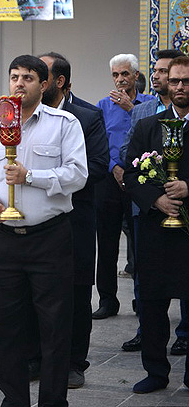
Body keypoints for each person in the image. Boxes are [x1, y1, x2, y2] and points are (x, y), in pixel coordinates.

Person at [0, 54, 87, 407]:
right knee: (6, 327)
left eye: (28, 78)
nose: (19, 83)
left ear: (44, 84)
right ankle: (14, 399)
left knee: (54, 326)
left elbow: (77, 175)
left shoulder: (63, 124)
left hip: (49, 238)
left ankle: (53, 400)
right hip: (4, 240)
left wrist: (31, 176)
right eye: (14, 76)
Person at [39, 52, 110, 388]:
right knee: (36, 290)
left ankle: (73, 363)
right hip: (34, 218)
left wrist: (47, 178)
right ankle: (36, 358)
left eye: (41, 74)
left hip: (74, 218)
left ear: (59, 81)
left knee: (76, 293)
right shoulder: (22, 113)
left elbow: (97, 166)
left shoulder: (87, 116)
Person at [123, 54, 189, 393]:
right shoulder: (148, 126)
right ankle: (155, 371)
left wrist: (188, 187)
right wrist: (155, 200)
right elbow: (131, 173)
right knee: (151, 304)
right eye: (174, 80)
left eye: (186, 81)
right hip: (155, 229)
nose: (179, 86)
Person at [94, 53, 155, 320]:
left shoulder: (149, 104)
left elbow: (152, 135)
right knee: (107, 243)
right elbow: (99, 143)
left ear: (136, 76)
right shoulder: (102, 106)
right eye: (115, 75)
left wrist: (132, 108)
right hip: (110, 179)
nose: (120, 80)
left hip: (140, 178)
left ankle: (142, 299)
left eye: (125, 74)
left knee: (141, 242)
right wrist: (114, 167)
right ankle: (107, 300)